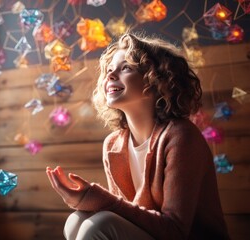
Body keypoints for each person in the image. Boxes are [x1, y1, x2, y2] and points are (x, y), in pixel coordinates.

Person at [46, 32, 229, 239]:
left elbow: (175, 231)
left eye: (126, 68)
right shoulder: (113, 144)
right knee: (76, 220)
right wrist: (89, 201)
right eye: (109, 70)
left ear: (158, 80)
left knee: (100, 224)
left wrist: (104, 201)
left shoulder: (181, 136)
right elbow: (126, 216)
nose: (110, 76)